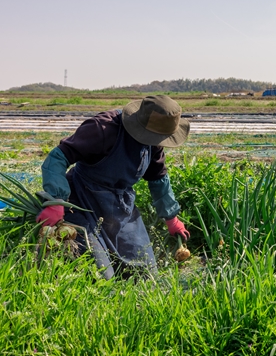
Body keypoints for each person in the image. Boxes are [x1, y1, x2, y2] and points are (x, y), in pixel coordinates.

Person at [36, 95, 191, 279]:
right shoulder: (103, 129)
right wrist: (56, 200)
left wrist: (171, 218)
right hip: (81, 202)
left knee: (145, 274)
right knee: (100, 274)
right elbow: (58, 157)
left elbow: (158, 177)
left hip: (120, 207)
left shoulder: (154, 140)